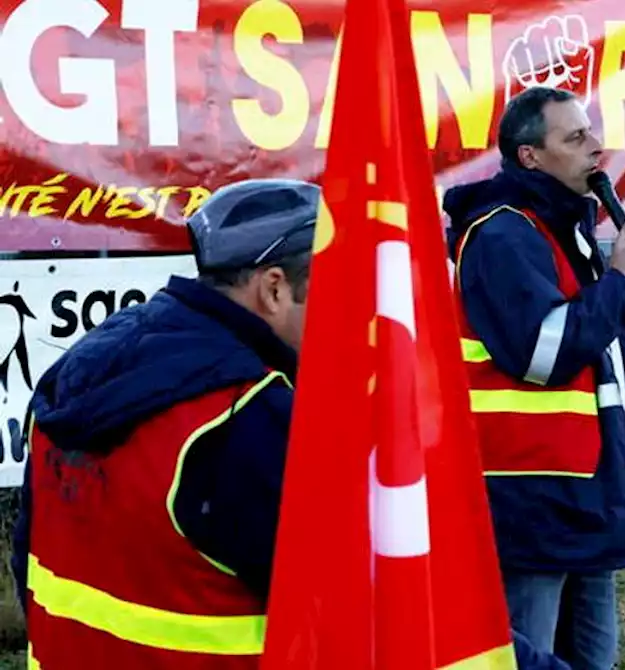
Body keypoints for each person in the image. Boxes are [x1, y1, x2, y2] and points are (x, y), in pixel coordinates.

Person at [10, 178, 566, 670]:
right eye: (338, 288)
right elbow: (390, 608)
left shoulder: (80, 365)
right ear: (273, 288)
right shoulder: (245, 419)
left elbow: (28, 549)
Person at [441, 86, 625, 668]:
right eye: (575, 137)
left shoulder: (563, 227)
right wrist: (621, 282)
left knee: (593, 654)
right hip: (532, 494)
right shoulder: (502, 233)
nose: (597, 147)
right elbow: (542, 352)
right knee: (531, 654)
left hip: (582, 493)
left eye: (590, 131)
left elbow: (591, 343)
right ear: (530, 158)